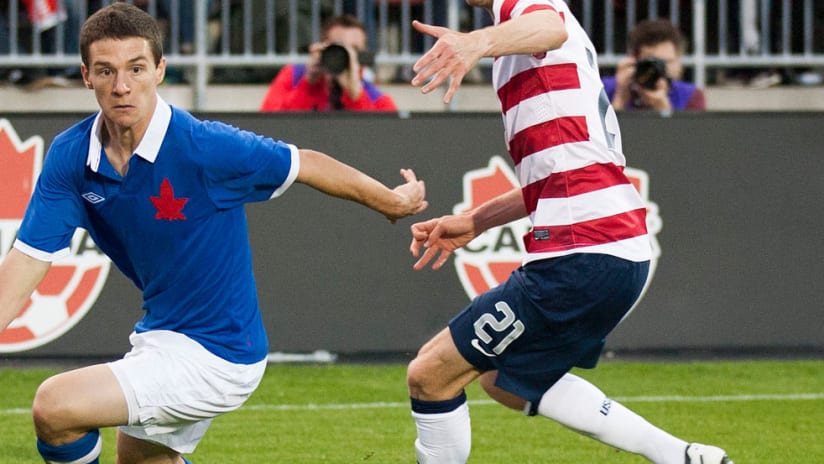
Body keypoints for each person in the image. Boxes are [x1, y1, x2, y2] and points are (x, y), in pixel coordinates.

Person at [0, 3, 426, 464]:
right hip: (160, 336)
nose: (122, 86)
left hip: (220, 352)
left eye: (136, 68)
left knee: (55, 407)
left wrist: (391, 202)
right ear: (86, 75)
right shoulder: (71, 158)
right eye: (106, 71)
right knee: (141, 461)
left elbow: (305, 163)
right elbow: (25, 264)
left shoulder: (203, 147)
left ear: (160, 70)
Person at [405, 1, 731, 463]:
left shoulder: (529, 12)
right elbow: (563, 167)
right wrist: (476, 221)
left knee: (430, 374)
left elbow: (548, 25)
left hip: (584, 249)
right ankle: (683, 456)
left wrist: (476, 42)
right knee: (505, 379)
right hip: (615, 248)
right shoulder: (527, 40)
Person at [259, 14, 397, 112]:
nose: (345, 58)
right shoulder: (293, 76)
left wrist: (355, 95)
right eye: (339, 48)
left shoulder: (378, 100)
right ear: (323, 48)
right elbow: (271, 127)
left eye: (354, 51)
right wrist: (308, 84)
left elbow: (378, 139)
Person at [602, 18, 706, 112]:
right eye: (652, 63)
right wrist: (620, 98)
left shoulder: (691, 96)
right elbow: (596, 131)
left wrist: (663, 109)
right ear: (634, 60)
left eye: (666, 62)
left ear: (678, 61)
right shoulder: (603, 89)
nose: (659, 71)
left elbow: (690, 133)